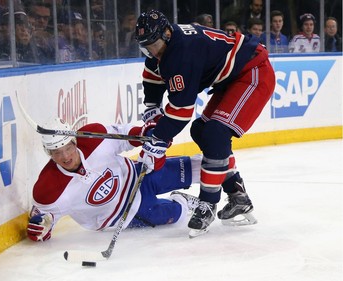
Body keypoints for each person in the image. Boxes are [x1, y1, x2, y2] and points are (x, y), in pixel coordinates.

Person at [134, 10, 275, 237]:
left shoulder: (183, 54)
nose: (150, 50)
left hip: (253, 71)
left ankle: (208, 204)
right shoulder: (162, 43)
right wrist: (151, 106)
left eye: (153, 44)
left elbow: (181, 111)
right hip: (231, 77)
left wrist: (158, 139)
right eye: (145, 46)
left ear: (167, 34)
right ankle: (238, 196)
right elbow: (152, 72)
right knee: (201, 130)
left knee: (215, 132)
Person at [27, 118, 202, 242]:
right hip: (127, 214)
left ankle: (225, 172)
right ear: (49, 154)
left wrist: (145, 134)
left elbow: (125, 136)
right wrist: (41, 228)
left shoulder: (92, 137)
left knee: (192, 169)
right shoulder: (47, 189)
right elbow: (44, 225)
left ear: (74, 141)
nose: (65, 156)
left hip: (137, 176)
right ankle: (183, 200)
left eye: (68, 148)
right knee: (174, 214)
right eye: (57, 152)